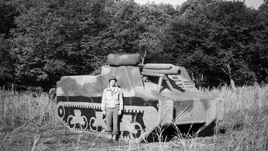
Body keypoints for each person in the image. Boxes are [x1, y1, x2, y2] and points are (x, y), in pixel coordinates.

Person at [101, 76, 123, 141]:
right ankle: (109, 134)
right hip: (108, 107)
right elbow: (103, 100)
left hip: (116, 107)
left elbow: (121, 100)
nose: (112, 82)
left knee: (115, 122)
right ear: (109, 82)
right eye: (111, 81)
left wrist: (120, 109)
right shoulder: (105, 90)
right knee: (108, 121)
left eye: (114, 81)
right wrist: (103, 109)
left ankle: (115, 135)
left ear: (115, 82)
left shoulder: (118, 90)